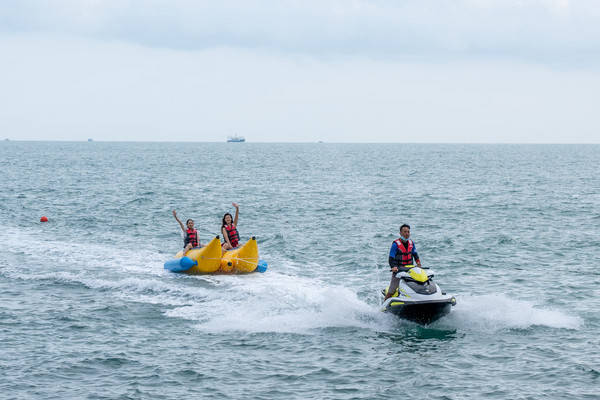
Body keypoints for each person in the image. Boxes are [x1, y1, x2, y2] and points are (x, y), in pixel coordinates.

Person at [383, 224, 422, 301]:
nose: (407, 234)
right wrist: (393, 267)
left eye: (408, 232)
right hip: (398, 270)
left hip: (410, 270)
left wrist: (418, 263)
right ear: (400, 233)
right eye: (405, 232)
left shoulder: (411, 243)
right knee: (392, 290)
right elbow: (391, 258)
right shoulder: (395, 244)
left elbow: (415, 255)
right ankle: (384, 305)